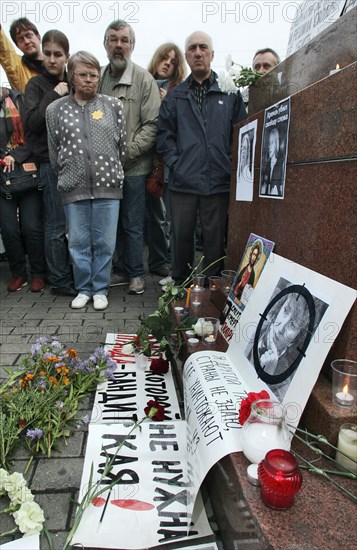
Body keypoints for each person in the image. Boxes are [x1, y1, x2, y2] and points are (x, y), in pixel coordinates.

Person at [156, 31, 247, 284]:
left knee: (214, 239)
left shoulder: (229, 93)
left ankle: (211, 290)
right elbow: (164, 135)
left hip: (217, 181)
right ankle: (181, 286)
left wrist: (228, 162)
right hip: (183, 182)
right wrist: (177, 163)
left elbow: (241, 132)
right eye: (193, 48)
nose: (198, 52)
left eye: (203, 47)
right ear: (187, 56)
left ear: (212, 54)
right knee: (181, 237)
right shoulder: (175, 95)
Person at [46, 51, 126, 310]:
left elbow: (121, 146)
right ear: (71, 76)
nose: (89, 80)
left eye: (94, 75)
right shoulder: (55, 110)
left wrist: (112, 171)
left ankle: (100, 288)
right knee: (79, 242)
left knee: (105, 242)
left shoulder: (113, 106)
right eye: (83, 74)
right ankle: (83, 288)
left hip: (107, 185)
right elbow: (54, 150)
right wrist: (69, 173)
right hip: (73, 185)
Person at [98, 19, 161, 295]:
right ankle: (119, 269)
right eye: (114, 39)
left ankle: (136, 273)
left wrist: (126, 154)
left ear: (132, 45)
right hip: (103, 170)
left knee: (133, 224)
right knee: (108, 224)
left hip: (134, 168)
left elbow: (153, 125)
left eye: (125, 40)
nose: (119, 45)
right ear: (105, 44)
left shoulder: (144, 79)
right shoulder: (97, 77)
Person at [24, 30, 76, 296]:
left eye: (58, 54)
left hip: (75, 163)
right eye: (48, 54)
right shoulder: (36, 85)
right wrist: (54, 94)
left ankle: (75, 274)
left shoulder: (74, 81)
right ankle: (59, 280)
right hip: (49, 164)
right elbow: (31, 123)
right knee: (55, 225)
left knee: (74, 225)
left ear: (67, 56)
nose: (52, 59)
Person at [147, 43, 186, 285]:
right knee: (152, 215)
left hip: (169, 162)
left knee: (169, 216)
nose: (167, 64)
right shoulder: (144, 82)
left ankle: (166, 262)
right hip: (146, 159)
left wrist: (167, 101)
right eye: (164, 58)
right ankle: (156, 260)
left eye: (172, 61)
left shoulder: (178, 90)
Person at [0, 87, 46, 292]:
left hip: (28, 172)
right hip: (2, 177)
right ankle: (18, 273)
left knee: (32, 227)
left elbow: (35, 134)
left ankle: (38, 273)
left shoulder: (20, 99)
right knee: (9, 229)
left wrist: (15, 155)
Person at [245, 290, 310, 401]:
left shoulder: (284, 385)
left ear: (296, 339)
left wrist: (266, 376)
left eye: (293, 325)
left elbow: (264, 413)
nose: (281, 328)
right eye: (285, 310)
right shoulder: (253, 327)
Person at [0, 18, 44, 93]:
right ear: (18, 46)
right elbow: (5, 51)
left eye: (28, 35)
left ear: (39, 37)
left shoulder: (57, 65)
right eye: (20, 39)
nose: (26, 41)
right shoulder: (19, 69)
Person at [260, 127, 284, 196]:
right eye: (269, 143)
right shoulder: (267, 165)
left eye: (272, 142)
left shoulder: (281, 164)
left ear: (276, 143)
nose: (269, 146)